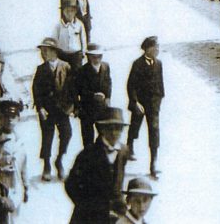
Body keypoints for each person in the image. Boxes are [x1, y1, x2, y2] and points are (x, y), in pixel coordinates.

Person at [64, 106, 129, 223]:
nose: (114, 133)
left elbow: (118, 182)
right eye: (110, 128)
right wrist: (85, 206)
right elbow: (70, 184)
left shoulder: (123, 151)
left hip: (114, 214)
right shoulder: (88, 154)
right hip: (89, 216)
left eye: (118, 128)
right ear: (102, 129)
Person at [32, 37, 74, 181]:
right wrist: (40, 108)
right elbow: (36, 90)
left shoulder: (66, 66)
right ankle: (47, 165)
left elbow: (72, 87)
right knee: (47, 137)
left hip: (62, 109)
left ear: (54, 52)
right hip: (48, 110)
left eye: (46, 51)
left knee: (67, 134)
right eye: (42, 51)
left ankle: (59, 159)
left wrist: (72, 106)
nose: (43, 53)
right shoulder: (41, 69)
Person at [126, 36, 165, 179]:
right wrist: (135, 102)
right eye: (155, 47)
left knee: (154, 130)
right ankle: (129, 144)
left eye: (158, 47)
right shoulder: (137, 64)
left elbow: (160, 84)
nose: (157, 50)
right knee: (135, 125)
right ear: (147, 48)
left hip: (153, 103)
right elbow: (131, 85)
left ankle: (153, 163)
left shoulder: (159, 64)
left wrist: (160, 98)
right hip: (140, 103)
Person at [0, 98, 29, 222]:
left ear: (18, 118)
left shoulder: (20, 140)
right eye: (6, 116)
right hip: (2, 189)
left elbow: (24, 165)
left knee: (16, 218)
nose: (9, 120)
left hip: (17, 187)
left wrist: (26, 186)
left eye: (13, 116)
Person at [76, 43, 112, 148]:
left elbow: (108, 83)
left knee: (104, 136)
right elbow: (79, 90)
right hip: (87, 109)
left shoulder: (106, 66)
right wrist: (93, 95)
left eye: (99, 56)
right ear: (88, 57)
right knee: (88, 140)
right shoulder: (82, 70)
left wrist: (108, 97)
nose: (97, 59)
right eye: (94, 56)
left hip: (102, 108)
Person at [51, 0, 87, 71]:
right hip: (62, 55)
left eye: (72, 11)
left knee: (77, 75)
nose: (70, 13)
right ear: (63, 12)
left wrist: (83, 53)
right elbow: (54, 41)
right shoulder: (58, 26)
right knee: (64, 74)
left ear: (75, 12)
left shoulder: (79, 24)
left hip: (76, 55)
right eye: (67, 11)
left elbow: (83, 40)